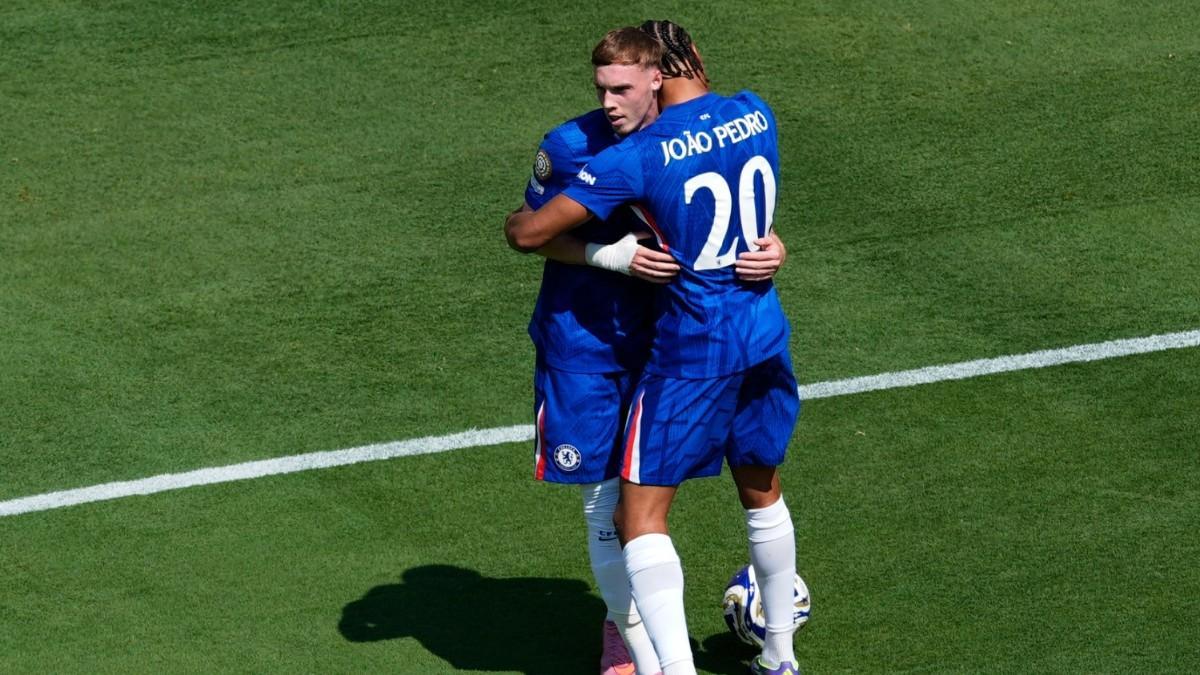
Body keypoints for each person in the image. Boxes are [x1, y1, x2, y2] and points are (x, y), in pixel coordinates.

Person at [506, 20, 802, 675]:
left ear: (655, 80)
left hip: (679, 342)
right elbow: (523, 230)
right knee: (609, 501)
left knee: (643, 510)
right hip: (591, 343)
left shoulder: (650, 150)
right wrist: (605, 254)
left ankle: (690, 658)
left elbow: (717, 201)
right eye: (600, 89)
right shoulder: (578, 143)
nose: (609, 102)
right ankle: (635, 641)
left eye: (621, 88)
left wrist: (771, 241)